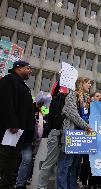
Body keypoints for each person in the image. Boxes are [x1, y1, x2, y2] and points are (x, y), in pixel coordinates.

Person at [0, 60, 35, 189]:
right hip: (10, 131)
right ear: (18, 68)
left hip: (19, 132)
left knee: (13, 162)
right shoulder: (9, 80)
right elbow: (6, 102)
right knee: (6, 161)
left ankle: (8, 184)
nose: (30, 71)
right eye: (28, 68)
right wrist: (12, 123)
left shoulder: (23, 85)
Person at [56, 78, 92, 189]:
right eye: (88, 82)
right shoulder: (72, 96)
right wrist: (86, 126)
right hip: (72, 133)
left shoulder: (87, 99)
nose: (90, 85)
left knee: (76, 165)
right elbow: (72, 114)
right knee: (66, 163)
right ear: (81, 84)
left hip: (82, 135)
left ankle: (72, 186)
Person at [16, 92, 51, 189]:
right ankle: (19, 184)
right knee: (27, 159)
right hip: (23, 140)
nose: (42, 105)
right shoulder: (29, 109)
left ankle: (21, 182)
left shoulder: (40, 113)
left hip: (31, 141)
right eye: (41, 103)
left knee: (28, 161)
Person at [37, 81, 68, 189]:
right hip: (56, 134)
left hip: (63, 136)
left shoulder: (66, 101)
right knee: (49, 163)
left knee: (61, 165)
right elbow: (56, 120)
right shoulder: (57, 100)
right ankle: (41, 187)